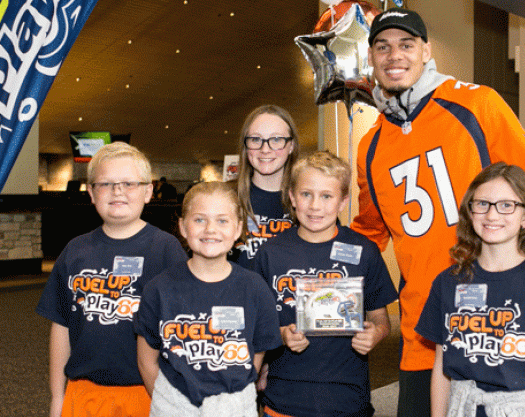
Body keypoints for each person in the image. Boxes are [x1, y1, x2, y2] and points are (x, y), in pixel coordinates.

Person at [350, 8, 525, 416]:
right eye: (382, 47)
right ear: (371, 59)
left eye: (406, 44)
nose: (395, 55)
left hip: (494, 319)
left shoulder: (476, 103)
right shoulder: (370, 146)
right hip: (422, 328)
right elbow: (369, 234)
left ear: (426, 51)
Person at [416, 162, 525, 417]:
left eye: (507, 205)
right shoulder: (449, 282)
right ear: (470, 211)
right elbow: (441, 367)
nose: (492, 215)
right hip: (462, 408)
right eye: (482, 204)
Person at [36, 142, 187, 417]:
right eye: (105, 184)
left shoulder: (166, 250)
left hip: (147, 393)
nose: (118, 191)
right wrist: (57, 397)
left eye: (129, 183)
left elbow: (182, 329)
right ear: (92, 193)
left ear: (148, 191)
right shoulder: (74, 252)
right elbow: (60, 329)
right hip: (84, 393)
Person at [252, 151, 398, 417]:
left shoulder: (364, 251)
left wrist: (374, 334)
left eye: (326, 196)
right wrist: (282, 334)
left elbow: (381, 320)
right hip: (285, 396)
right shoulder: (270, 253)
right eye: (306, 194)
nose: (315, 206)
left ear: (343, 201)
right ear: (292, 197)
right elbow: (256, 325)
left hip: (347, 397)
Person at [135, 182, 281, 416]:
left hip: (235, 407)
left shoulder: (254, 289)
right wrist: (171, 404)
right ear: (183, 226)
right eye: (199, 219)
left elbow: (257, 355)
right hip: (172, 406)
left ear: (238, 229)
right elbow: (146, 360)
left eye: (222, 220)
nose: (210, 229)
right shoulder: (159, 289)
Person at [232, 105, 300, 268]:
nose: (265, 149)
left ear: (291, 146)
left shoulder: (310, 200)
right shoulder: (227, 198)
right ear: (246, 145)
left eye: (276, 140)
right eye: (256, 139)